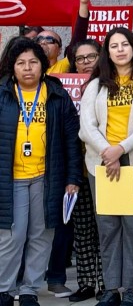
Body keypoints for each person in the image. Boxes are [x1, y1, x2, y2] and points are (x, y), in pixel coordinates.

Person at [80, 28, 133, 306]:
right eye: (114, 45)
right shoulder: (96, 84)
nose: (119, 50)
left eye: (125, 44)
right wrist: (108, 151)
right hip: (103, 164)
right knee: (107, 228)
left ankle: (131, 289)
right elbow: (86, 126)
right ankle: (111, 290)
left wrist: (120, 149)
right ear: (107, 51)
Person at [0, 38, 82, 306]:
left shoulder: (56, 94)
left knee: (42, 234)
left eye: (33, 62)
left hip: (47, 177)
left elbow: (71, 139)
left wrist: (72, 178)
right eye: (21, 63)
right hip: (10, 177)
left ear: (43, 65)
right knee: (12, 235)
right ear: (12, 67)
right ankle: (4, 288)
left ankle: (29, 290)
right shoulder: (2, 94)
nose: (27, 68)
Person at [65, 39, 105, 303]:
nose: (86, 62)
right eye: (80, 58)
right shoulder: (63, 89)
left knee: (105, 227)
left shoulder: (108, 86)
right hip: (75, 169)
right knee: (82, 230)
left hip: (105, 165)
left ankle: (106, 284)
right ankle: (86, 283)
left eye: (91, 56)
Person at [35, 0, 92, 74]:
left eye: (50, 40)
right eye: (39, 39)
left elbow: (78, 40)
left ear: (59, 51)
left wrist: (84, 4)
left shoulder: (64, 66)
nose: (43, 42)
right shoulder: (26, 71)